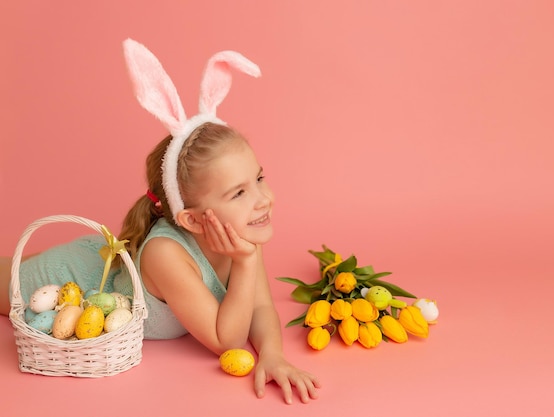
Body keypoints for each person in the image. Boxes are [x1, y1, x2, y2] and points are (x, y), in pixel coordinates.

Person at [0, 39, 320, 404]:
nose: (263, 198)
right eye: (239, 193)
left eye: (259, 179)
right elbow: (226, 339)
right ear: (192, 219)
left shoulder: (240, 233)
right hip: (70, 277)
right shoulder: (166, 253)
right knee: (8, 276)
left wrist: (273, 355)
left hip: (99, 264)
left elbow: (260, 308)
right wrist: (246, 263)